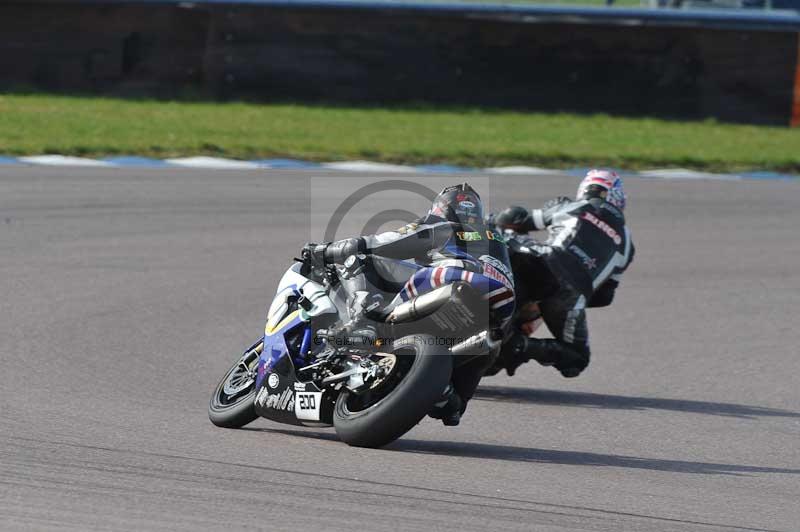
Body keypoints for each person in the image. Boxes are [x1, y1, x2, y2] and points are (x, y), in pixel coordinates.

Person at [302, 183, 515, 426]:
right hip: (499, 310)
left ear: (442, 207)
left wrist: (325, 251)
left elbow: (383, 243)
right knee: (455, 406)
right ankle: (447, 398)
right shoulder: (496, 238)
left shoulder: (443, 224)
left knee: (357, 258)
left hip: (454, 278)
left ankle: (362, 322)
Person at [489, 169, 634, 378]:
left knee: (504, 237)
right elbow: (604, 296)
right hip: (571, 294)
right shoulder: (628, 246)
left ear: (585, 189)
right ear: (618, 197)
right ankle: (522, 345)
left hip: (540, 261)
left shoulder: (570, 206)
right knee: (576, 359)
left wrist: (495, 221)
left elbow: (518, 220)